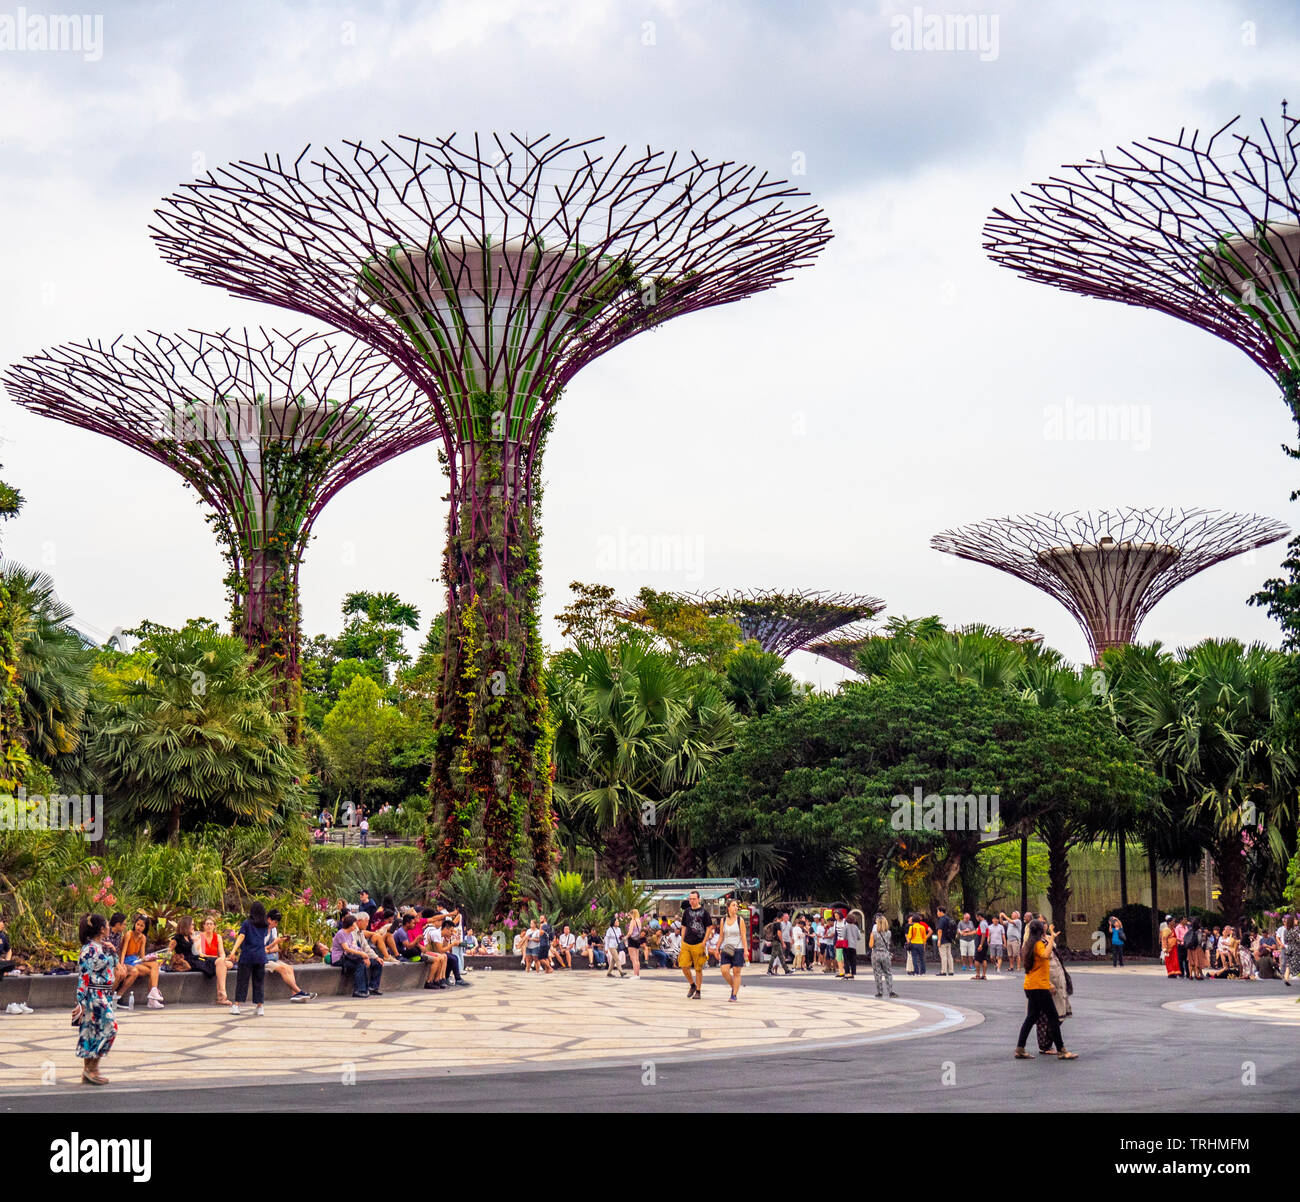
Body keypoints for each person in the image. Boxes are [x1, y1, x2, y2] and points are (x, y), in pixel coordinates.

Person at [1014, 920, 1076, 1060]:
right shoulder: (1038, 944)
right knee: (1053, 1017)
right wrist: (1052, 937)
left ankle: (1020, 1048)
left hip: (1030, 985)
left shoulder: (1029, 945)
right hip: (1039, 987)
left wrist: (1050, 938)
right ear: (1041, 931)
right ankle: (1062, 1050)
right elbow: (1046, 955)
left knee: (1031, 1017)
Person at [74, 913, 119, 1085]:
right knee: (109, 1028)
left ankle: (90, 1070)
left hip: (104, 994)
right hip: (94, 996)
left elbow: (113, 966)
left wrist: (113, 951)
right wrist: (81, 1002)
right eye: (107, 925)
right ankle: (91, 1068)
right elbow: (83, 977)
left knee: (93, 1031)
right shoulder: (89, 950)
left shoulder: (101, 947)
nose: (109, 928)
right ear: (101, 929)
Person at [228, 901, 271, 1016]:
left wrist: (233, 951)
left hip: (247, 955)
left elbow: (241, 936)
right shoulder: (265, 925)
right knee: (259, 981)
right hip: (260, 956)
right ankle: (260, 1006)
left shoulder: (247, 923)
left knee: (242, 980)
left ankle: (236, 1005)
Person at [1036, 923, 1073, 1055]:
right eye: (1041, 923)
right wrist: (1047, 983)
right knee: (1047, 1017)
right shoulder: (1037, 944)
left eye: (1045, 922)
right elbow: (1042, 960)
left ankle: (1050, 1046)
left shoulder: (1045, 940)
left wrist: (1051, 937)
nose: (1044, 925)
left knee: (1052, 1016)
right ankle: (1052, 1047)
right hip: (1045, 984)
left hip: (1055, 981)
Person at [263, 910, 317, 1001]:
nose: (276, 925)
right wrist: (272, 945)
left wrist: (269, 948)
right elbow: (260, 950)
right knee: (283, 969)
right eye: (275, 922)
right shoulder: (261, 930)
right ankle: (300, 992)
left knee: (290, 968)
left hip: (271, 958)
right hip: (262, 959)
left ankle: (294, 994)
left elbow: (276, 949)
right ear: (269, 919)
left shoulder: (273, 930)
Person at [117, 914, 165, 1009]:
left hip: (136, 960)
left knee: (154, 965)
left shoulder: (143, 937)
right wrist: (121, 965)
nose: (138, 927)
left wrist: (151, 958)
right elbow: (122, 952)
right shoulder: (129, 934)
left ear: (145, 927)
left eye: (142, 926)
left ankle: (153, 994)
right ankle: (152, 999)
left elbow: (142, 956)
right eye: (137, 924)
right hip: (127, 960)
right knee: (152, 971)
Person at [333, 912, 383, 997]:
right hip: (341, 958)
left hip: (351, 956)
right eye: (366, 921)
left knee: (377, 963)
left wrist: (374, 957)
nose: (368, 924)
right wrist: (362, 956)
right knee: (360, 964)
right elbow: (347, 949)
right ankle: (359, 990)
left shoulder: (352, 933)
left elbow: (363, 947)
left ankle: (371, 988)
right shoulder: (342, 933)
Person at [679, 890, 711, 998]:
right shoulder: (686, 912)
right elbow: (683, 926)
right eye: (690, 899)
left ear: (698, 899)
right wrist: (682, 940)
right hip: (687, 943)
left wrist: (704, 941)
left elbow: (709, 927)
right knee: (683, 965)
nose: (692, 901)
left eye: (694, 899)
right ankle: (692, 984)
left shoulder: (704, 912)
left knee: (698, 968)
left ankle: (698, 990)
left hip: (698, 943)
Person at [194, 915, 232, 1004]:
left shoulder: (218, 937)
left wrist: (222, 959)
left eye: (211, 924)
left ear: (214, 926)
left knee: (227, 963)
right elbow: (201, 954)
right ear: (203, 926)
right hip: (204, 961)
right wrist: (219, 959)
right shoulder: (200, 937)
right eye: (207, 924)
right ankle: (222, 995)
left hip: (216, 961)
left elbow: (222, 953)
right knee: (223, 964)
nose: (209, 926)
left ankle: (221, 995)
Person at [718, 899, 749, 1002]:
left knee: (736, 972)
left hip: (738, 948)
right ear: (728, 908)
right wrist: (717, 948)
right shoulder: (723, 920)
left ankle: (734, 995)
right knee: (724, 971)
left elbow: (743, 936)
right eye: (733, 905)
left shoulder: (740, 920)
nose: (736, 907)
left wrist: (745, 950)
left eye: (737, 906)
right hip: (727, 948)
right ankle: (734, 986)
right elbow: (721, 936)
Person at [869, 914, 897, 998]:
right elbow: (888, 943)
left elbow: (870, 945)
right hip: (885, 954)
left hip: (876, 954)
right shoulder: (889, 933)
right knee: (888, 973)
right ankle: (891, 991)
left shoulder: (873, 934)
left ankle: (880, 992)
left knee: (877, 973)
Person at [935, 906, 956, 976]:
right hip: (949, 939)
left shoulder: (942, 919)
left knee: (943, 956)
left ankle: (943, 971)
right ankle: (951, 970)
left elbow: (940, 930)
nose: (937, 913)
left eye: (937, 911)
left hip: (943, 940)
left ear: (941, 912)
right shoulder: (948, 918)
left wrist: (939, 940)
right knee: (949, 955)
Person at [625, 909, 644, 978]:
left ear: (632, 914)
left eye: (630, 915)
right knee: (637, 958)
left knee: (633, 959)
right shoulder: (639, 921)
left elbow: (630, 932)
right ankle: (637, 974)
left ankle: (635, 974)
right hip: (637, 940)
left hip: (632, 940)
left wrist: (625, 937)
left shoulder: (632, 921)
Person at [972, 912, 990, 980]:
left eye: (977, 917)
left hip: (981, 942)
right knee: (984, 958)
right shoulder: (986, 923)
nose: (976, 919)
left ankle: (978, 975)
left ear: (979, 916)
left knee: (977, 959)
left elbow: (983, 934)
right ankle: (984, 975)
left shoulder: (982, 923)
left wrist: (980, 945)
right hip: (985, 943)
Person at [1284, 914, 1300, 988]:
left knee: (1289, 964)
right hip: (1296, 949)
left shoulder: (1286, 930)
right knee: (1297, 964)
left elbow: (1286, 940)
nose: (1297, 921)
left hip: (1289, 948)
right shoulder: (1295, 930)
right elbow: (1298, 940)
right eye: (1296, 920)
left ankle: (1286, 978)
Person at [844, 911, 861, 979]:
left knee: (846, 960)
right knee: (853, 960)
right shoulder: (856, 927)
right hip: (853, 945)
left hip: (846, 945)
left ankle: (847, 973)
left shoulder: (845, 927)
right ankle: (853, 972)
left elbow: (843, 936)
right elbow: (859, 937)